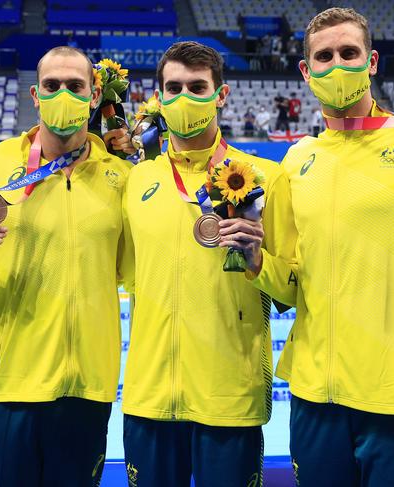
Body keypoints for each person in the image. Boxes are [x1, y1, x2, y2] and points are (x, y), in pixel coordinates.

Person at [272, 8, 394, 487]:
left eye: (349, 53)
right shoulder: (298, 160)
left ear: (372, 61)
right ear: (306, 70)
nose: (336, 65)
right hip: (315, 397)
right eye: (324, 56)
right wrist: (254, 260)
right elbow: (290, 282)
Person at [0, 46, 131, 487]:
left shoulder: (122, 177)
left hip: (88, 383)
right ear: (35, 94)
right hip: (8, 381)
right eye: (52, 86)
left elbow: (130, 270)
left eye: (75, 86)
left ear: (94, 97)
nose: (62, 94)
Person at [120, 40, 297, 487]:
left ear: (221, 94)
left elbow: (293, 288)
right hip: (150, 396)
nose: (185, 98)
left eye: (197, 87)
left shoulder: (263, 178)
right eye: (174, 88)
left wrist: (257, 261)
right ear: (158, 98)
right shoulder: (135, 178)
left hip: (229, 396)